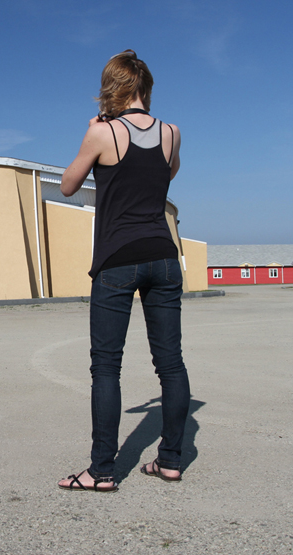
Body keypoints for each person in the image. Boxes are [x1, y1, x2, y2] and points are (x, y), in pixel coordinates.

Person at [57, 49, 188, 492]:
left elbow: (68, 185)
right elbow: (165, 175)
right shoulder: (172, 133)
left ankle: (101, 470)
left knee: (107, 367)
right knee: (170, 364)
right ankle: (170, 460)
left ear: (112, 89)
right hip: (164, 257)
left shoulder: (103, 134)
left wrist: (90, 135)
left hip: (117, 259)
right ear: (146, 89)